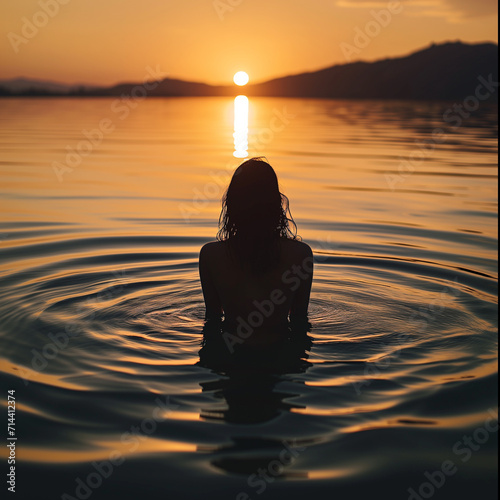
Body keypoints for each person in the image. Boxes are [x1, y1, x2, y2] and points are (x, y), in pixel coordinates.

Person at [198, 157, 313, 353]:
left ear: (232, 203)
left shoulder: (210, 256)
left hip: (230, 357)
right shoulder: (300, 255)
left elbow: (213, 321)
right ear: (276, 202)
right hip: (280, 359)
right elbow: (299, 321)